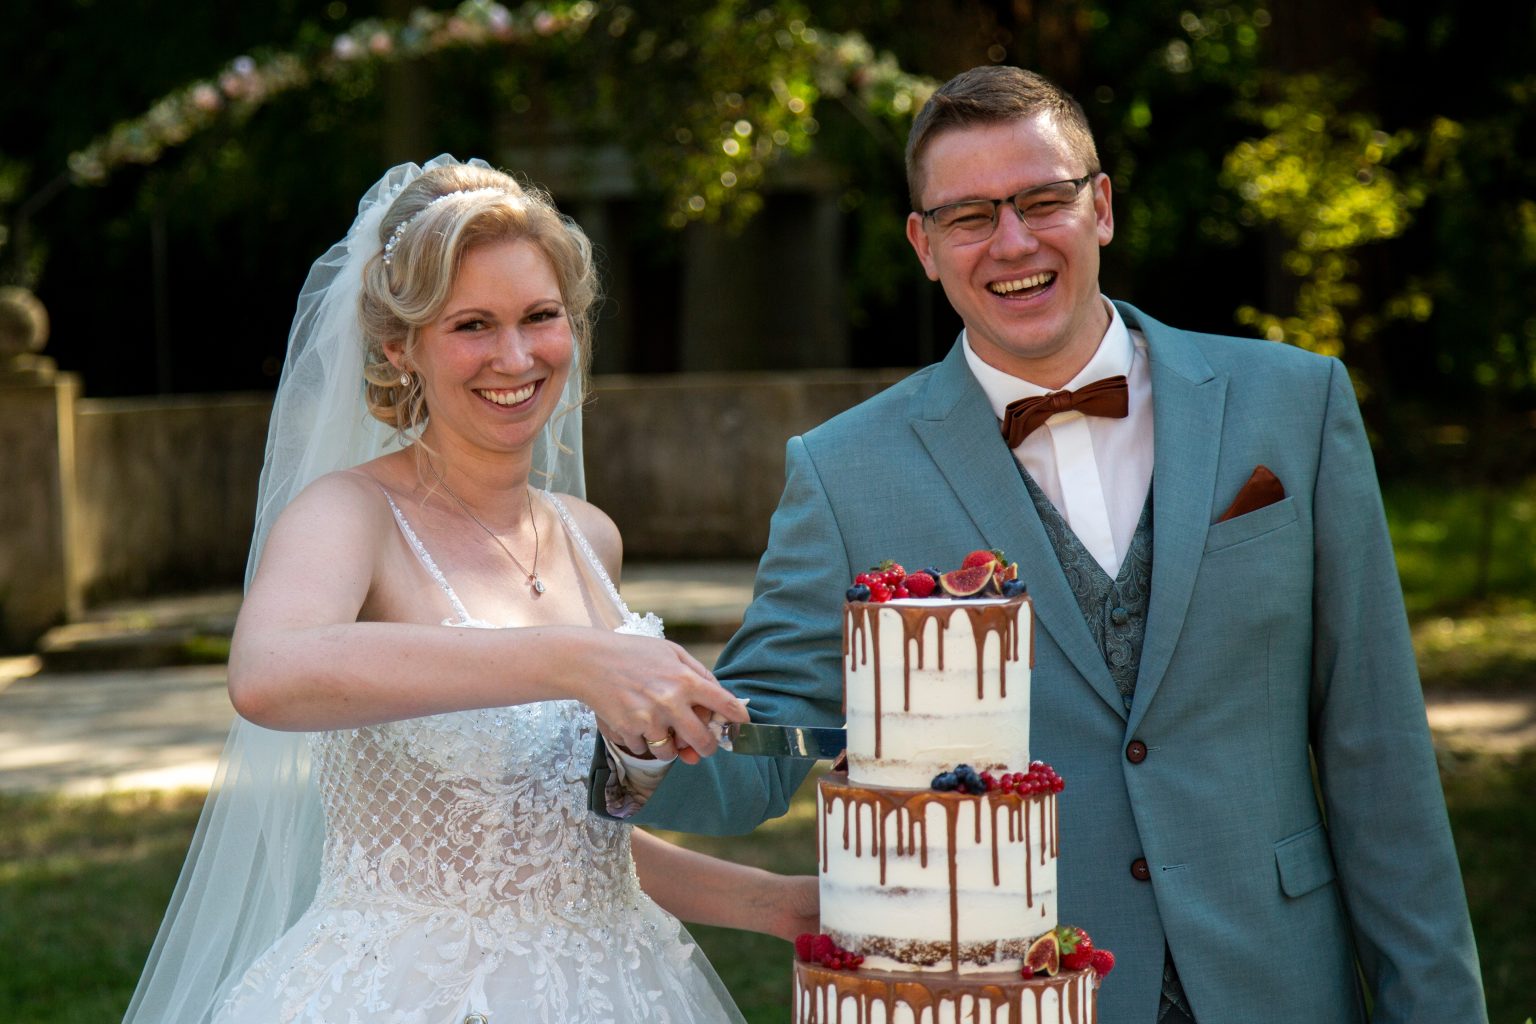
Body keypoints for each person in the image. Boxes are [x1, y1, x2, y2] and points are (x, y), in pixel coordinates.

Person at [594, 68, 1488, 1022]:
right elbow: (764, 748)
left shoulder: (1293, 405)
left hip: (1278, 981)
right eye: (970, 215)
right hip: (1017, 992)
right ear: (923, 246)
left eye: (1042, 200)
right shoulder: (844, 473)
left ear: (1100, 207)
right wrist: (638, 739)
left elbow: (1377, 754)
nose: (1013, 242)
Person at [123, 155, 816, 1024]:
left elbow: (549, 845)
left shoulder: (588, 536)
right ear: (398, 346)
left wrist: (774, 904)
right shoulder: (352, 514)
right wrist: (572, 660)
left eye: (540, 317)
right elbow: (268, 673)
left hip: (617, 986)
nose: (515, 356)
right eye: (472, 326)